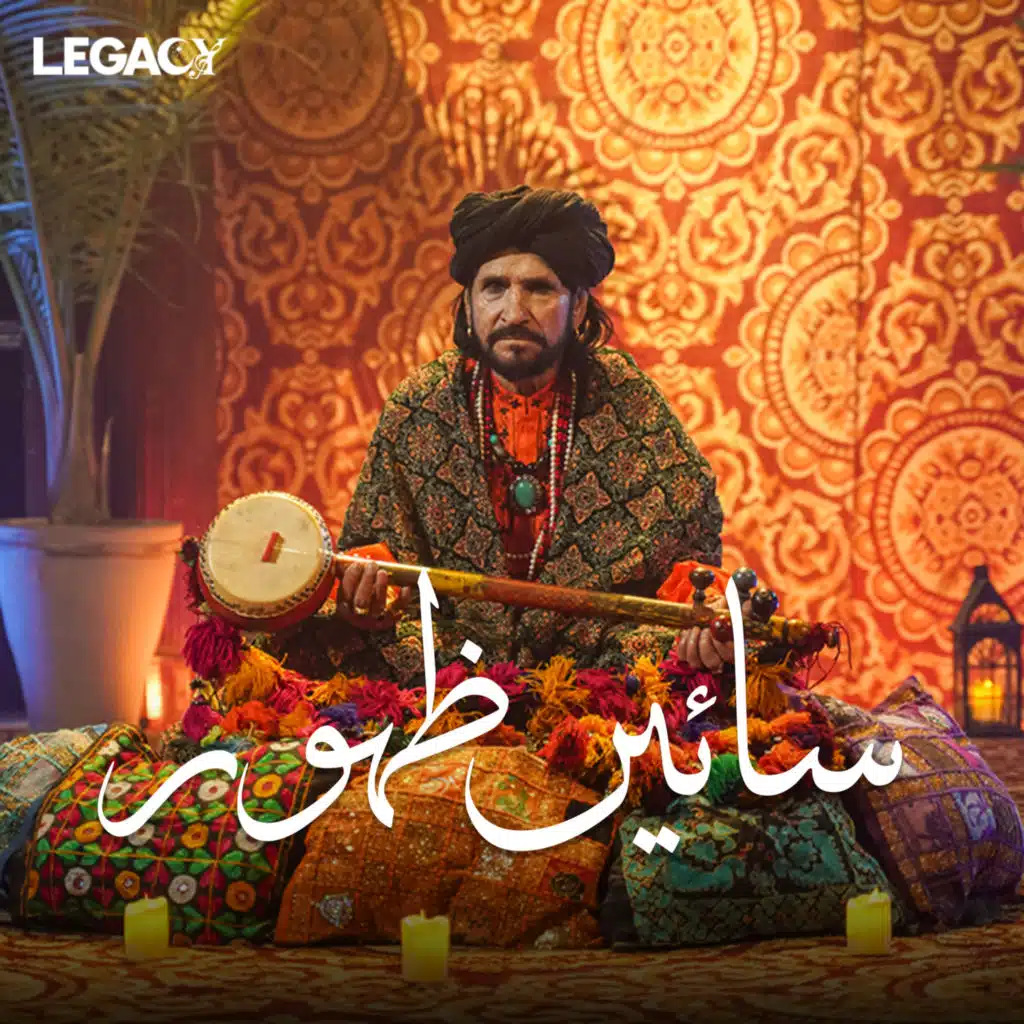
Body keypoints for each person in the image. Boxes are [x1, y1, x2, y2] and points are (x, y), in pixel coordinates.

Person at [266, 185, 729, 685]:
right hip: (456, 653)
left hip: (594, 657)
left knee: (694, 652)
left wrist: (705, 613)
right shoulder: (423, 402)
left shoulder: (626, 399)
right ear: (469, 304)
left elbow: (690, 556)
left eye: (539, 289)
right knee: (335, 642)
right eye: (494, 288)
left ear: (577, 307)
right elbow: (378, 548)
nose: (513, 311)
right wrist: (368, 595)